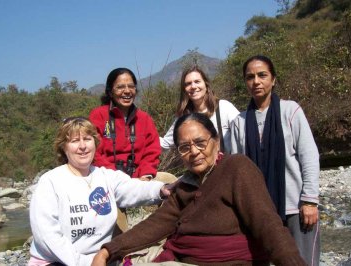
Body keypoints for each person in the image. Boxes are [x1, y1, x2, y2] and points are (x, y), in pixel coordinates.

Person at [92, 113, 306, 266]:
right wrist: (109, 249)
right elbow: (157, 223)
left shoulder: (237, 167)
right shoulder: (186, 183)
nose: (194, 151)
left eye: (200, 143)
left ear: (216, 141)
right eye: (184, 147)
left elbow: (266, 222)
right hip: (181, 256)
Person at [28, 117, 170, 266]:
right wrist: (86, 263)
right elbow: (48, 236)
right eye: (75, 141)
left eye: (87, 139)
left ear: (95, 143)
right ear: (64, 147)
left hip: (101, 259)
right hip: (57, 261)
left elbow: (133, 188)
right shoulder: (50, 181)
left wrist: (161, 189)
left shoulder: (105, 176)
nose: (83, 146)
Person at [230, 55, 320, 266]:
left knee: (303, 261)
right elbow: (235, 169)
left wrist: (309, 200)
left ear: (273, 79)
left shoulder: (291, 111)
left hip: (295, 207)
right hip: (258, 211)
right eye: (250, 77)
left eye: (262, 75)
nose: (256, 82)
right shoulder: (239, 122)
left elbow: (309, 155)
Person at [89, 67, 161, 181]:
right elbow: (93, 151)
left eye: (131, 86)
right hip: (106, 179)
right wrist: (115, 177)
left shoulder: (144, 118)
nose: (127, 91)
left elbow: (152, 151)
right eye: (120, 87)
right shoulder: (99, 115)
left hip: (139, 180)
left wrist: (145, 175)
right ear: (110, 91)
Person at [160, 65, 239, 153]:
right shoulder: (184, 117)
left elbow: (243, 133)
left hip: (228, 164)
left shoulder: (224, 107)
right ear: (184, 90)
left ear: (206, 84)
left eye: (197, 81)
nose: (193, 86)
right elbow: (164, 144)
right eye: (188, 84)